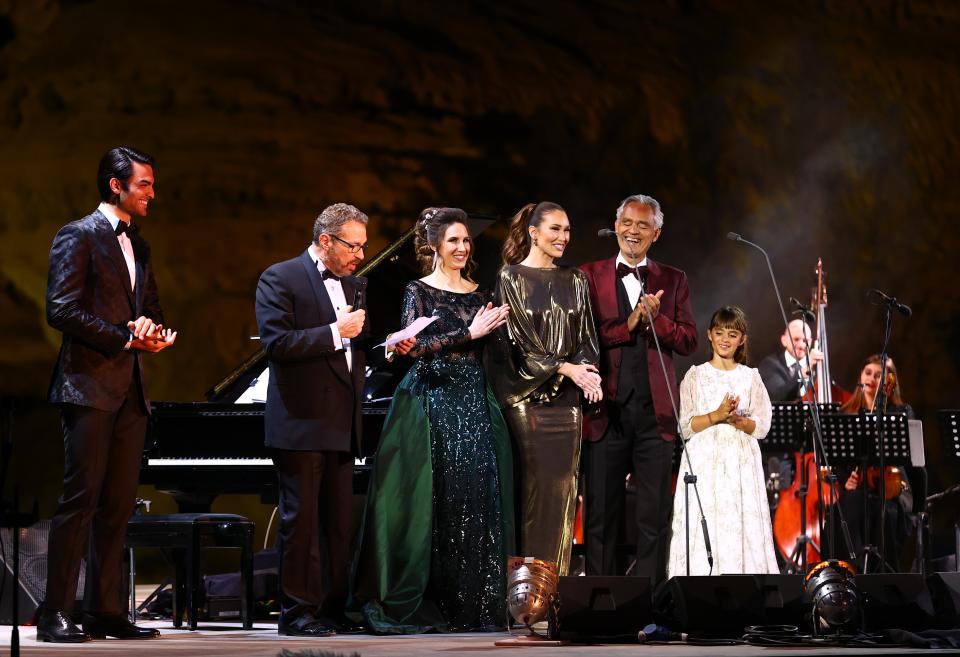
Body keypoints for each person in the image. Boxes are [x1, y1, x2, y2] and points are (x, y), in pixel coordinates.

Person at [255, 203, 414, 636]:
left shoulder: (354, 284)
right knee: (300, 524)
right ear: (326, 240)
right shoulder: (279, 277)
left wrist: (385, 348)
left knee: (337, 527)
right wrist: (332, 333)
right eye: (353, 245)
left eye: (363, 246)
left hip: (343, 422)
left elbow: (352, 350)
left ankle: (330, 607)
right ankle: (297, 613)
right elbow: (277, 344)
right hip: (301, 422)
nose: (360, 255)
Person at [352, 208, 514, 633]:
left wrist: (499, 332)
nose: (462, 248)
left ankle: (471, 601)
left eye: (466, 242)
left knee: (475, 497)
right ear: (436, 247)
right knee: (434, 498)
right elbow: (416, 346)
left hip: (474, 402)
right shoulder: (417, 290)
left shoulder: (481, 294)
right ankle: (431, 599)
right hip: (431, 402)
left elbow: (491, 356)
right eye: (453, 241)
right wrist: (468, 334)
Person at [39, 147, 175, 642]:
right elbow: (61, 309)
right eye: (145, 184)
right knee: (81, 501)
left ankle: (105, 610)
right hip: (89, 385)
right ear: (116, 185)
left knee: (118, 506)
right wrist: (123, 335)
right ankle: (55, 611)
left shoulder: (140, 244)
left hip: (130, 389)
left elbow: (151, 306)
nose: (152, 194)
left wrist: (153, 332)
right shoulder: (77, 235)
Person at [580, 194, 698, 583]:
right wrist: (629, 324)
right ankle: (601, 603)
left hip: (655, 416)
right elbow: (583, 338)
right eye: (627, 223)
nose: (633, 231)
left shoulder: (674, 278)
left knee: (653, 517)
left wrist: (657, 320)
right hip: (604, 411)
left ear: (656, 233)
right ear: (616, 226)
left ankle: (649, 605)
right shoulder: (587, 275)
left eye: (642, 225)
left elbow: (688, 341)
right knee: (601, 515)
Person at [486, 201, 600, 576]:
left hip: (567, 402)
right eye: (555, 229)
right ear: (534, 232)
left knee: (564, 495)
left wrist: (588, 371)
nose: (563, 237)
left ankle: (554, 592)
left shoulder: (576, 279)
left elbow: (586, 337)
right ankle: (525, 593)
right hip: (527, 399)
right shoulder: (510, 277)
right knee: (533, 494)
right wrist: (566, 367)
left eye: (567, 230)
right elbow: (517, 342)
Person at [666, 306, 778, 577]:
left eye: (732, 333)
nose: (725, 339)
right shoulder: (696, 376)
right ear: (709, 335)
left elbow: (762, 426)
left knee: (739, 522)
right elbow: (685, 426)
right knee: (707, 520)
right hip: (705, 463)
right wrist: (717, 415)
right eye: (719, 333)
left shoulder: (751, 377)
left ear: (742, 339)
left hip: (740, 465)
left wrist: (738, 420)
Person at [831, 354, 914, 572]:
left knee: (884, 510)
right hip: (858, 490)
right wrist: (845, 482)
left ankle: (884, 575)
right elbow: (839, 464)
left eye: (879, 375)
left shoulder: (900, 412)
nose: (872, 378)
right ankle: (848, 571)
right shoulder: (846, 414)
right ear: (861, 376)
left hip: (891, 490)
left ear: (888, 382)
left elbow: (909, 462)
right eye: (868, 373)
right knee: (843, 508)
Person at [757, 318, 824, 401]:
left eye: (805, 340)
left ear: (810, 342)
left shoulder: (818, 368)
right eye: (796, 339)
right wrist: (802, 373)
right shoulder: (769, 364)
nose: (801, 345)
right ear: (784, 340)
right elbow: (776, 397)